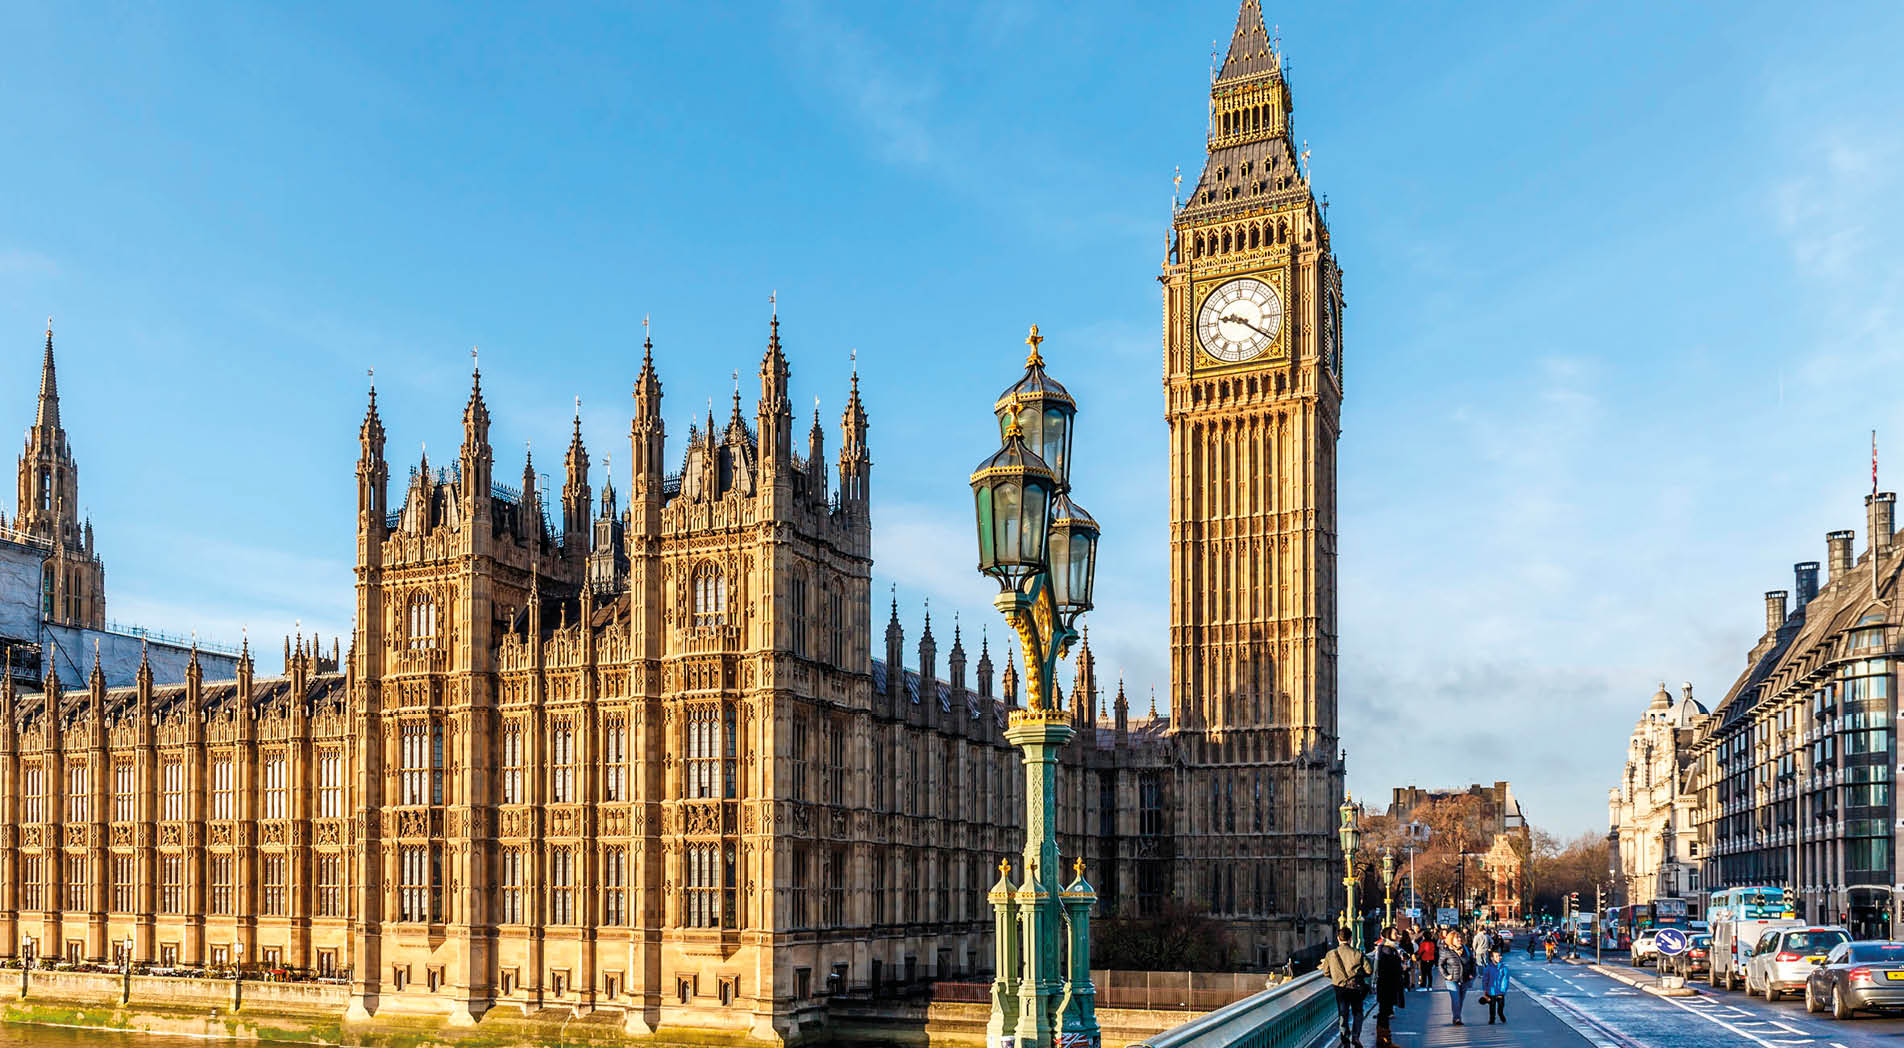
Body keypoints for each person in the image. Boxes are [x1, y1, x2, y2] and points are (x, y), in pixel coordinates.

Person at [1321, 927, 1372, 1047]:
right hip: (1356, 987)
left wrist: (1338, 978)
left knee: (1343, 1013)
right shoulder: (1358, 953)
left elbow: (1326, 972)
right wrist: (1358, 976)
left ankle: (1345, 1038)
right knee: (1358, 1012)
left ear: (1338, 938)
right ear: (1350, 939)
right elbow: (1369, 970)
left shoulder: (1330, 954)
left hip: (1340, 988)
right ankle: (1355, 1036)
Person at [1372, 927, 1408, 1047]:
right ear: (1388, 934)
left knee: (1385, 1011)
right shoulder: (1387, 949)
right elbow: (1387, 966)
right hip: (1387, 984)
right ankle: (1384, 1040)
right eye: (1394, 933)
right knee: (1384, 1011)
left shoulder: (1392, 947)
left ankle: (1384, 1038)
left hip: (1388, 983)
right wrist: (1400, 967)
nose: (1397, 934)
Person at [1438, 932, 1473, 1026]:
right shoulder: (1446, 951)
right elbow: (1440, 965)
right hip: (1452, 980)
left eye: (1460, 938)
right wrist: (1446, 975)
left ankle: (1457, 1016)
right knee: (1456, 999)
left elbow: (1472, 963)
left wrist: (1472, 974)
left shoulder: (1466, 950)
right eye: (1457, 938)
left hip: (1465, 979)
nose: (1459, 940)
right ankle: (1457, 1018)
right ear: (1451, 940)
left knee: (1461, 1000)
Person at [1481, 948, 1511, 1024]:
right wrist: (1485, 989)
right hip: (1491, 991)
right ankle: (1492, 1018)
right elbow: (1485, 979)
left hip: (1500, 991)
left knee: (1501, 1006)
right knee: (1492, 1006)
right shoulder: (1488, 968)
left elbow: (1505, 980)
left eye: (1500, 956)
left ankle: (1501, 1014)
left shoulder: (1504, 968)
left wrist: (1503, 991)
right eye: (1497, 956)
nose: (1499, 957)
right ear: (1492, 958)